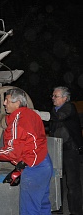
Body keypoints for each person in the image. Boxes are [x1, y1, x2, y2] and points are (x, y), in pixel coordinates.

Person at [0, 88, 53, 215]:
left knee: (29, 210)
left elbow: (12, 152)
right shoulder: (32, 114)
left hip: (33, 168)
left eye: (7, 101)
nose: (4, 104)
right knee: (42, 206)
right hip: (44, 162)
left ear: (17, 103)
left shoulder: (18, 122)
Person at [49, 86, 83, 215]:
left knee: (72, 183)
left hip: (70, 150)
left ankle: (76, 211)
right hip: (58, 150)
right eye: (52, 96)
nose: (53, 98)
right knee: (57, 180)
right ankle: (58, 208)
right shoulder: (55, 109)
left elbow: (59, 117)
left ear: (65, 98)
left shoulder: (69, 107)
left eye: (55, 96)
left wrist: (39, 114)